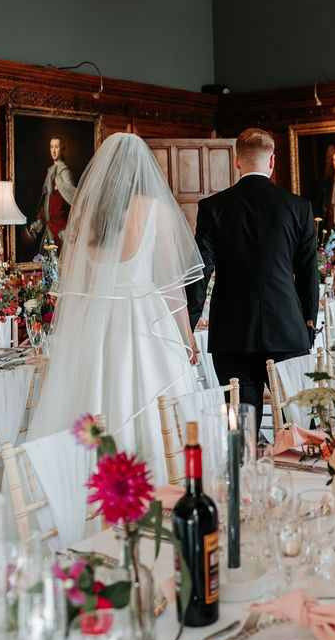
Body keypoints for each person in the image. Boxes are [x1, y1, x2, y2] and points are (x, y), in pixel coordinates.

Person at [28, 133, 204, 483]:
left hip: (100, 326)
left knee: (99, 398)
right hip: (145, 322)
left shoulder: (87, 217)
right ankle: (161, 487)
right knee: (157, 411)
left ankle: (97, 491)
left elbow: (80, 288)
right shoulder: (157, 212)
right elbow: (172, 290)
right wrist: (187, 338)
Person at [187, 127, 319, 431]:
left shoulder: (213, 208)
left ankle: (245, 476)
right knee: (296, 430)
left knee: (241, 432)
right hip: (287, 330)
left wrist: (189, 325)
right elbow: (309, 272)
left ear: (237, 162)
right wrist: (308, 323)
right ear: (272, 161)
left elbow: (201, 271)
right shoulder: (299, 208)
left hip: (232, 333)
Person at [26, 137, 77, 251]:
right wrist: (38, 223)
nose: (53, 150)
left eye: (57, 147)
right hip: (50, 230)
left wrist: (61, 186)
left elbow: (74, 197)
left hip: (62, 231)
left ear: (62, 149)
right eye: (51, 147)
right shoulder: (50, 171)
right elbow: (47, 202)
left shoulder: (65, 172)